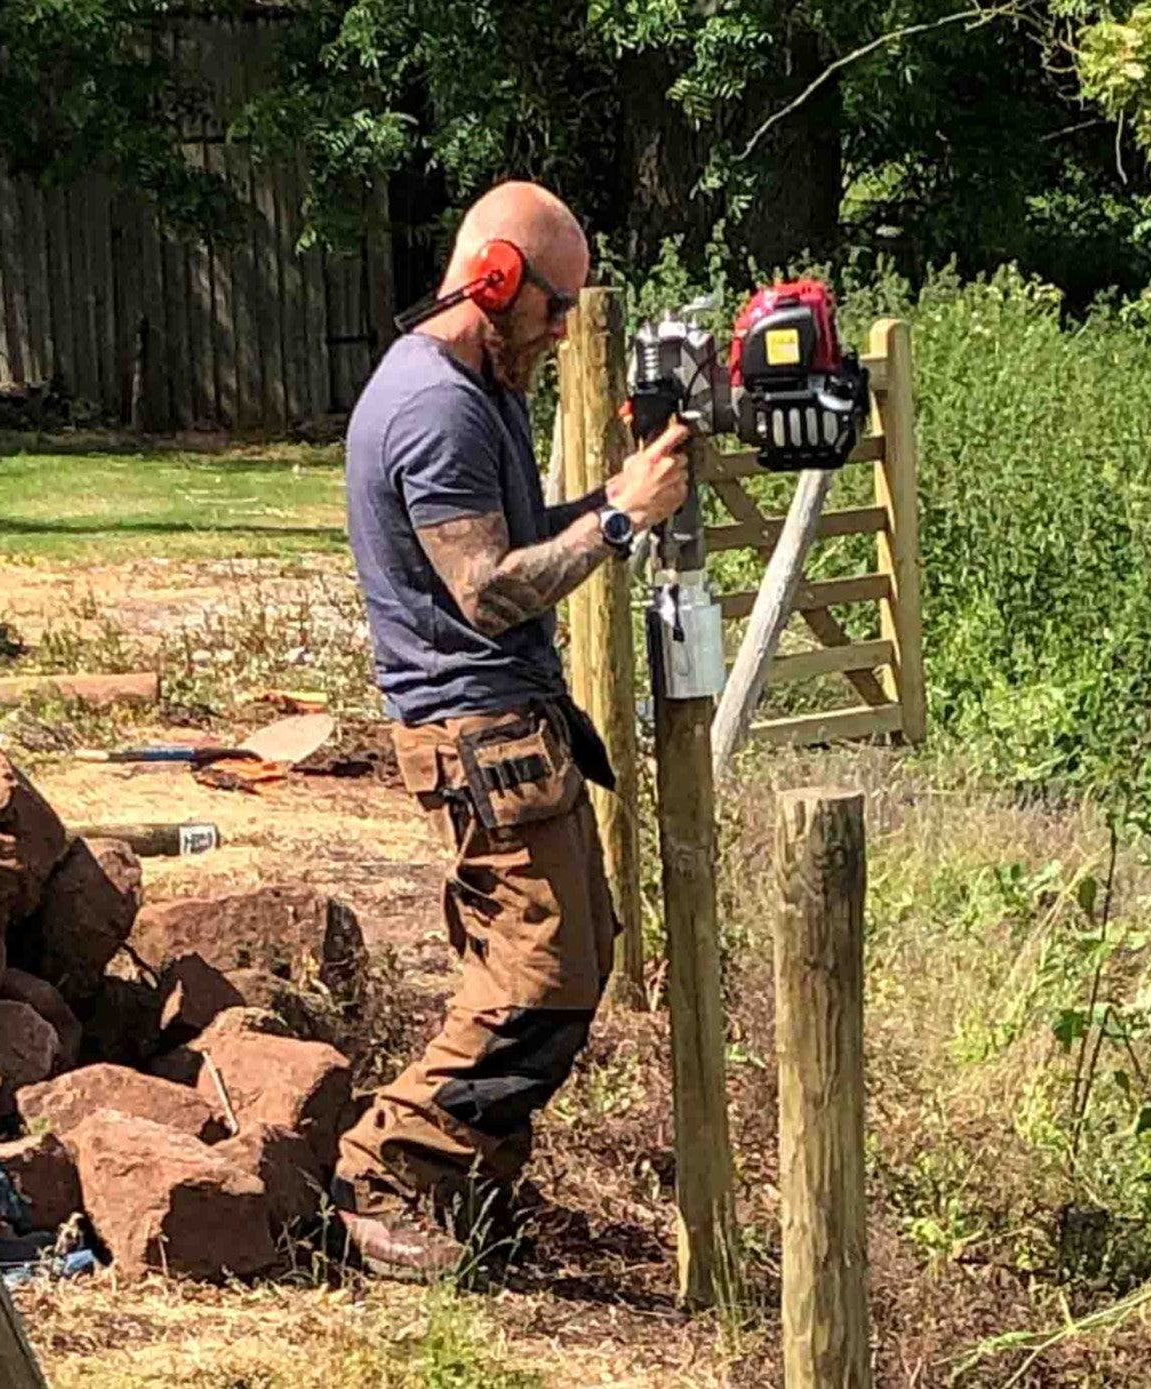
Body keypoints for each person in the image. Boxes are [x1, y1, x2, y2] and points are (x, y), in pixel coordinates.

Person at [333, 180, 690, 1280]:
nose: (567, 326)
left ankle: (470, 1188)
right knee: (541, 981)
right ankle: (381, 1173)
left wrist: (622, 494)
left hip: (512, 727)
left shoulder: (476, 382)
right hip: (477, 731)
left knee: (573, 961)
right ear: (493, 278)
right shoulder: (435, 409)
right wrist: (624, 518)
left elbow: (519, 539)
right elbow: (488, 590)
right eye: (556, 302)